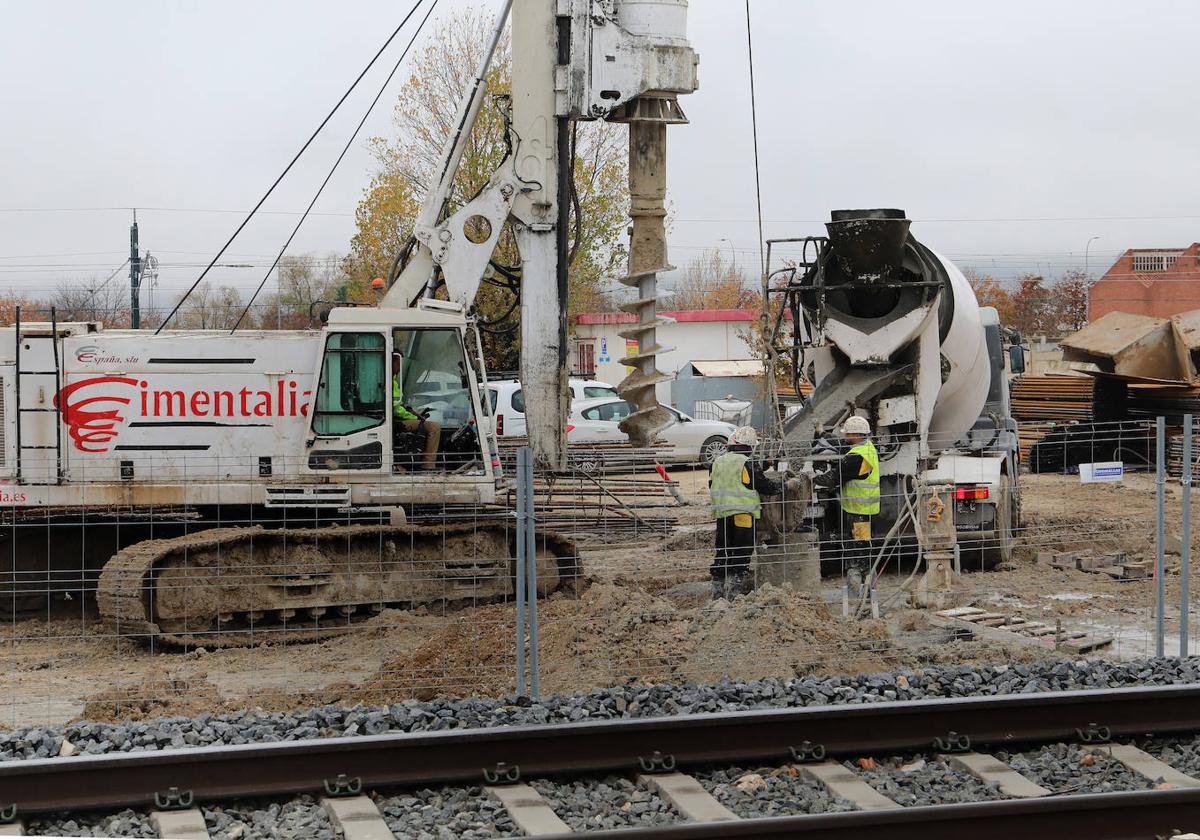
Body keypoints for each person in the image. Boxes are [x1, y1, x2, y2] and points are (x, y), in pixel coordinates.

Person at [708, 426, 782, 600]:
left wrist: (763, 465)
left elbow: (730, 478)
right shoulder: (747, 463)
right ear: (750, 447)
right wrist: (784, 486)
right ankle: (735, 593)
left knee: (723, 551)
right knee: (741, 551)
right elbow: (764, 485)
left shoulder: (717, 462)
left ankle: (717, 592)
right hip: (743, 514)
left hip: (722, 514)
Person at [813, 415, 879, 593]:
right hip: (863, 509)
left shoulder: (856, 458)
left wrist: (812, 478)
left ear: (857, 435)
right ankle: (863, 582)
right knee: (861, 544)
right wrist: (822, 435)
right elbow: (843, 448)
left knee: (859, 546)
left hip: (860, 511)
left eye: (848, 434)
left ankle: (861, 585)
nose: (845, 437)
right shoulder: (867, 447)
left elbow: (833, 477)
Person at [392, 351, 441, 471]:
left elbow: (399, 404)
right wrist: (415, 418)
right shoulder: (389, 382)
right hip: (395, 421)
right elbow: (396, 409)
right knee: (434, 427)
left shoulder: (392, 380)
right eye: (399, 362)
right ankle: (428, 466)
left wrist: (412, 412)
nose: (400, 367)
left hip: (396, 419)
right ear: (393, 361)